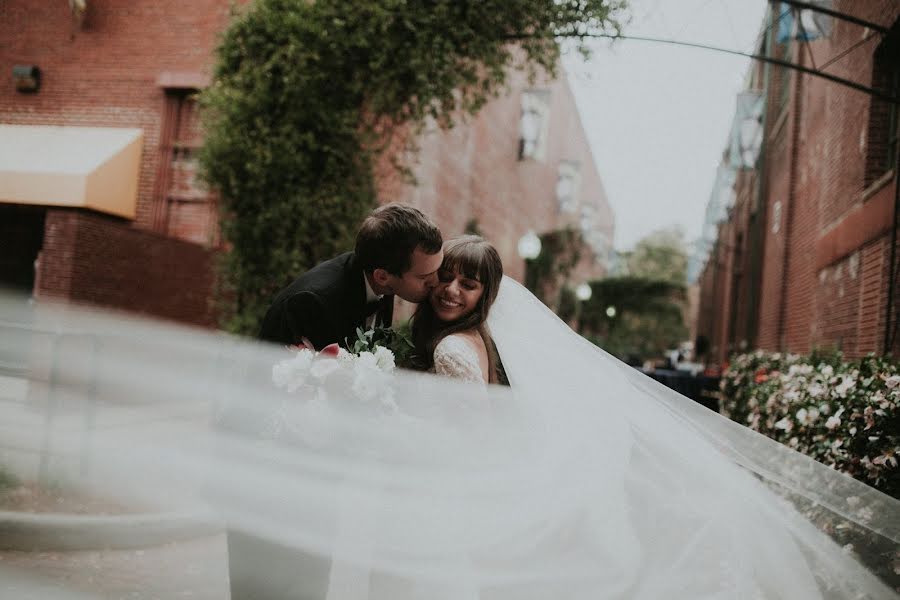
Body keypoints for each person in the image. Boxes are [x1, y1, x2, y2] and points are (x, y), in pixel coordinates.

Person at [258, 204, 444, 350]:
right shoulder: (312, 304)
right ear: (382, 277)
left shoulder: (382, 274)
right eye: (424, 277)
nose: (436, 282)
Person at [409, 236, 503, 384]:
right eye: (445, 277)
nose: (451, 290)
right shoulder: (474, 336)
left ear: (484, 296)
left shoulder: (451, 350)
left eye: (468, 285)